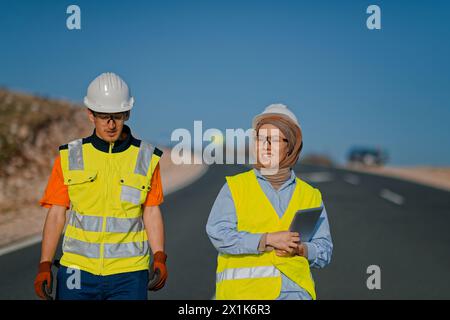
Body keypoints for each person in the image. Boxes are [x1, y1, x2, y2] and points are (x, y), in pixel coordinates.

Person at [34, 72, 168, 300]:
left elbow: (151, 211)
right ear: (90, 114)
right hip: (77, 269)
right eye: (103, 115)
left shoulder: (145, 158)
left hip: (129, 271)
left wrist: (159, 257)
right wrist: (45, 264)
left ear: (127, 113)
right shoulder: (70, 157)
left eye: (117, 115)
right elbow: (56, 213)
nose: (111, 123)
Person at [206, 103, 333, 300]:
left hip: (296, 294)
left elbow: (324, 249)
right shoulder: (235, 186)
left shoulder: (311, 195)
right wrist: (267, 240)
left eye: (273, 139)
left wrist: (301, 249)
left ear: (289, 146)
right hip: (244, 296)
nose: (265, 145)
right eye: (260, 138)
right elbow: (218, 234)